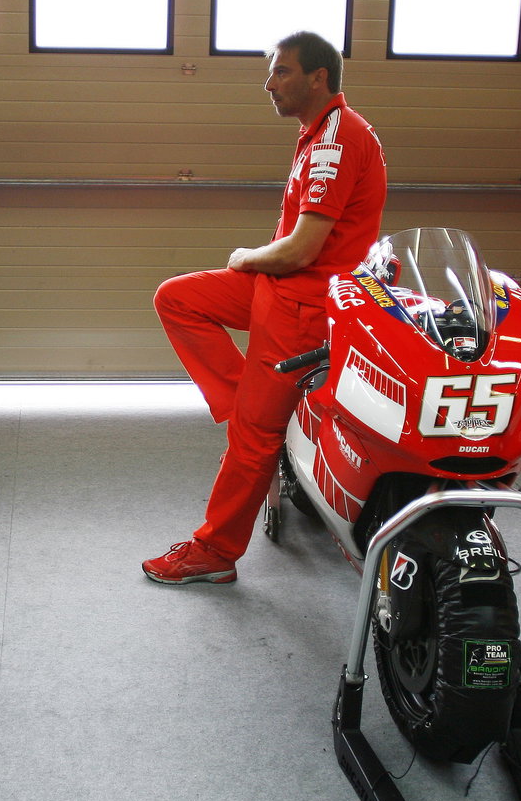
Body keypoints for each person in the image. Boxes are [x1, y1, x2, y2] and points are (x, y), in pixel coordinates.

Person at [143, 31, 387, 585]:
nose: (269, 83)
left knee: (252, 440)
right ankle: (251, 408)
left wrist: (247, 257)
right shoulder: (320, 132)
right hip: (279, 291)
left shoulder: (337, 139)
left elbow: (301, 250)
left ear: (318, 77)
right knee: (178, 298)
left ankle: (214, 553)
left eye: (281, 72)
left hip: (303, 303)